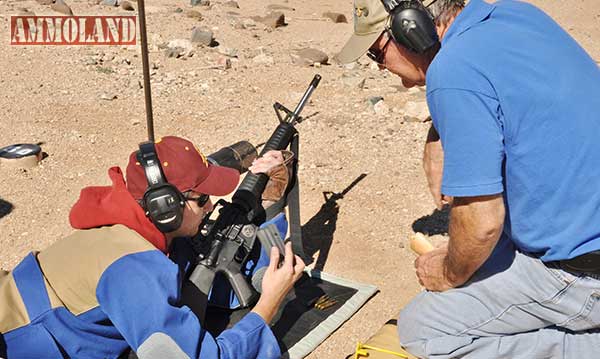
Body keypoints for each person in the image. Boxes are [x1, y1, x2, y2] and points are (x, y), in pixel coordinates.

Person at [338, 0, 600, 357]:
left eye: (376, 53)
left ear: (408, 29)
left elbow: (482, 224)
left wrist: (447, 272)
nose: (380, 67)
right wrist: (437, 131)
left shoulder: (452, 72)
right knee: (476, 262)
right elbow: (497, 91)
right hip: (582, 242)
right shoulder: (516, 16)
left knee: (423, 328)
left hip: (580, 276)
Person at [0, 135, 305, 359]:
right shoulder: (133, 268)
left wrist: (264, 198)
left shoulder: (131, 226)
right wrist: (267, 306)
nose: (210, 205)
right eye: (201, 199)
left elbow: (206, 264)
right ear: (164, 206)